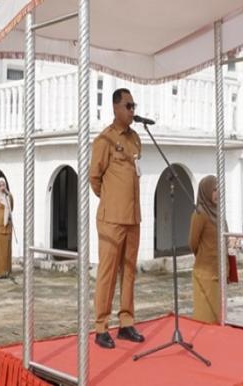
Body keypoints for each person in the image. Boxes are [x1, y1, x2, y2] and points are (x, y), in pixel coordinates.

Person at [90, 88, 144, 349]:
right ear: (115, 107)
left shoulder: (135, 139)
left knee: (130, 272)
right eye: (128, 105)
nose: (132, 110)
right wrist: (112, 201)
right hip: (112, 219)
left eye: (134, 106)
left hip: (133, 218)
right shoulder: (105, 140)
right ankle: (101, 327)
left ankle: (126, 323)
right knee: (108, 274)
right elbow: (94, 178)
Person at [188, 175, 238, 324]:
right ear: (206, 191)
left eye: (218, 190)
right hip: (205, 274)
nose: (217, 193)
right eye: (214, 190)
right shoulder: (200, 214)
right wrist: (205, 255)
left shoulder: (219, 213)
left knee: (218, 319)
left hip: (220, 272)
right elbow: (192, 242)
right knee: (205, 319)